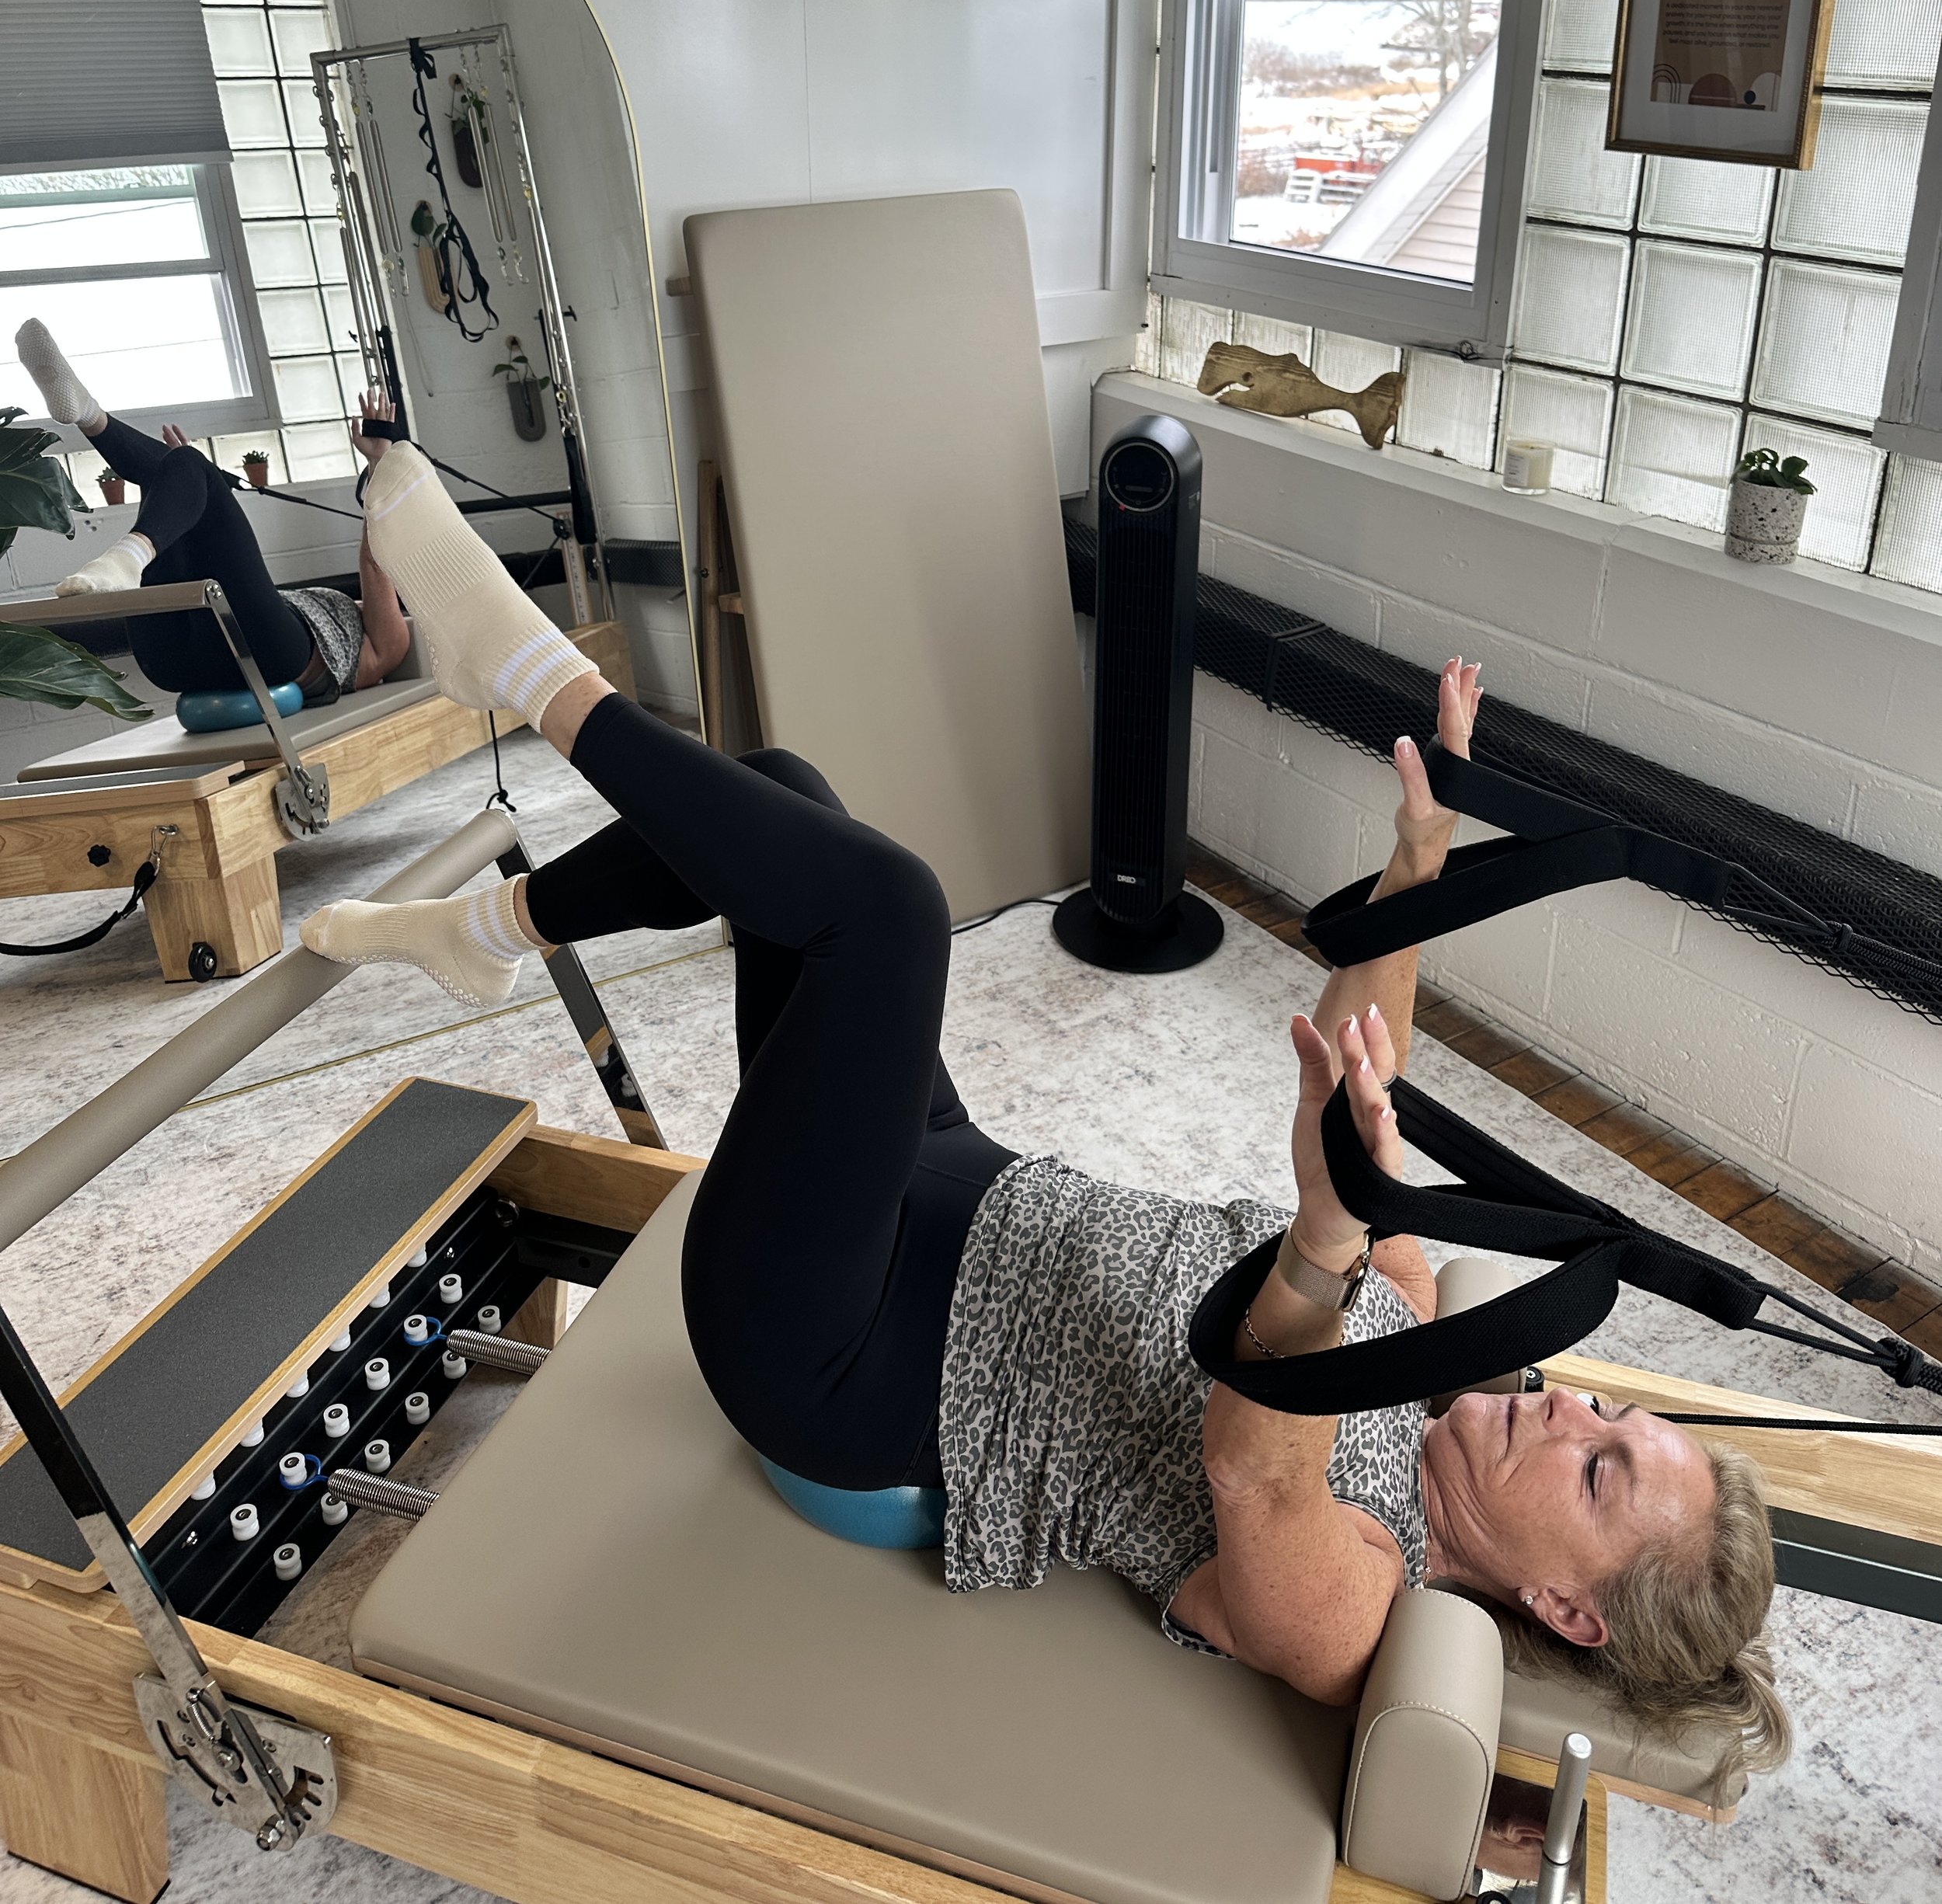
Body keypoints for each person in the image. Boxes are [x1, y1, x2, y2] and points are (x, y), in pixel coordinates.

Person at [302, 437, 1790, 1780]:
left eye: (1599, 1468)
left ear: (1561, 1602)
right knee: (790, 793)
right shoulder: (1435, 1351)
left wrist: (1325, 1243)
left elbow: (1252, 1462)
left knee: (883, 912)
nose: (1571, 1407)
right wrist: (1420, 866)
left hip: (835, 1349)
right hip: (959, 1181)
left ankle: (517, 665)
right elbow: (1367, 1085)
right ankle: (489, 935)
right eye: (1613, 1410)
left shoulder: (1363, 1597)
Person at [14, 318, 412, 708]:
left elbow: (376, 564)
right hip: (177, 660)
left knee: (190, 464)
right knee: (177, 469)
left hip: (266, 659)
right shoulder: (355, 623)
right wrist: (186, 484)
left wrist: (380, 465)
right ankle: (86, 413)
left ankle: (95, 430)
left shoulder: (395, 643)